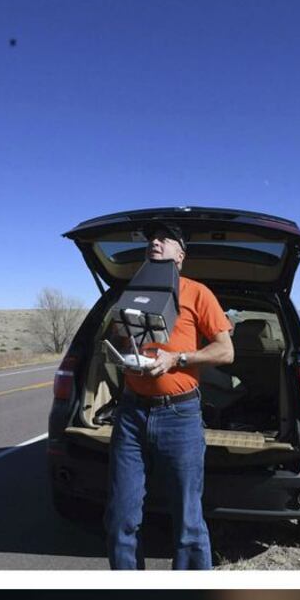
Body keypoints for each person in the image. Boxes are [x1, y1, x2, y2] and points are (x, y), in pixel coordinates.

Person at [104, 220, 234, 570]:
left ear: (181, 254)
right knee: (120, 518)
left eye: (164, 238)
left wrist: (178, 358)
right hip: (131, 415)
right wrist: (124, 352)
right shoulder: (133, 290)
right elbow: (118, 338)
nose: (155, 243)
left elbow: (226, 351)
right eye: (151, 239)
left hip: (180, 417)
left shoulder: (197, 292)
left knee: (189, 523)